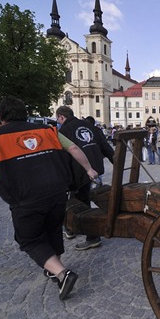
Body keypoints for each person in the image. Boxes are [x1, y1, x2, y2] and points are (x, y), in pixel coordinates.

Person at [0, 97, 99, 300]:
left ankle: (62, 273)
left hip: (25, 198)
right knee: (53, 228)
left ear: (1, 116)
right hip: (57, 191)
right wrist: (89, 169)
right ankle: (54, 269)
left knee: (29, 239)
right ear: (25, 113)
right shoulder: (47, 131)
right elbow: (75, 148)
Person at [56, 106, 114, 251]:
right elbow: (107, 148)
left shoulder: (64, 131)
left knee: (79, 203)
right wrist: (116, 164)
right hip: (95, 168)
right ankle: (70, 228)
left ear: (61, 117)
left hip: (79, 171)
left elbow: (63, 156)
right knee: (83, 198)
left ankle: (91, 236)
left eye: (58, 119)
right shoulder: (91, 126)